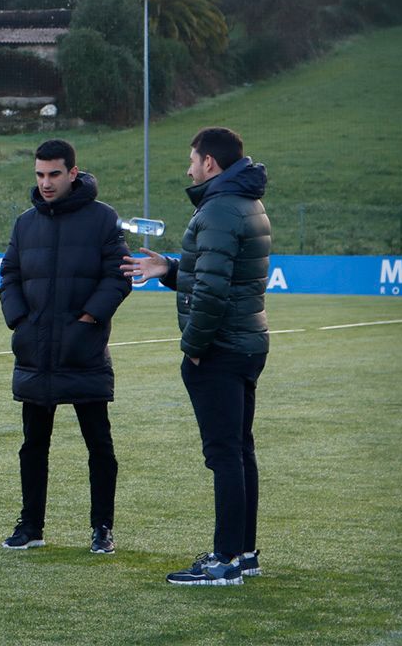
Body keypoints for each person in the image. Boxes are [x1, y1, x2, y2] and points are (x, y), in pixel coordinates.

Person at [122, 127, 271, 586]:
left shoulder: (220, 208)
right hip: (246, 342)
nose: (188, 168)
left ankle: (225, 559)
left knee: (225, 454)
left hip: (221, 348)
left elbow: (211, 290)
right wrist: (169, 269)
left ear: (209, 163)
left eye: (192, 159)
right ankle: (242, 552)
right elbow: (214, 270)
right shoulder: (244, 202)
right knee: (240, 451)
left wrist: (194, 349)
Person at [0, 138, 132, 555]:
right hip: (35, 351)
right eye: (39, 175)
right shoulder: (25, 223)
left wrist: (89, 320)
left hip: (83, 351)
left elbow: (118, 276)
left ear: (73, 173)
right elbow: (10, 276)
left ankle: (102, 528)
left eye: (54, 174)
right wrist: (21, 322)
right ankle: (31, 526)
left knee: (99, 446)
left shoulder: (104, 219)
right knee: (33, 445)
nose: (46, 183)